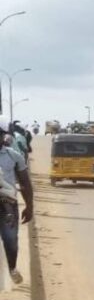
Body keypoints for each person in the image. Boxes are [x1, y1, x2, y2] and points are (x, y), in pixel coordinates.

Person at [0, 117, 33, 284]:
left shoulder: (14, 156)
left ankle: (12, 268)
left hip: (8, 206)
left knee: (11, 239)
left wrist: (29, 206)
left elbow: (25, 183)